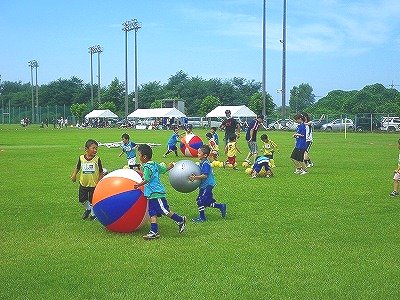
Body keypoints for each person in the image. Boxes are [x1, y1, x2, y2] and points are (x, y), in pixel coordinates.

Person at [134, 144, 186, 240]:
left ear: (144, 157)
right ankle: (154, 232)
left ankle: (180, 219)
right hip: (151, 195)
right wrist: (169, 167)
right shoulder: (154, 164)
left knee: (165, 210)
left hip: (156, 193)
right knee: (152, 213)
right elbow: (163, 170)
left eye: (139, 155)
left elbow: (146, 179)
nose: (139, 157)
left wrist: (138, 185)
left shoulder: (147, 167)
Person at [189, 145, 227, 222]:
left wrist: (195, 177)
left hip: (208, 185)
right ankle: (221, 206)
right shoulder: (202, 162)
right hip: (203, 186)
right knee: (204, 201)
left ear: (205, 155)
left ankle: (202, 218)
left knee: (201, 201)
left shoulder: (206, 164)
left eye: (199, 153)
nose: (197, 154)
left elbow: (205, 176)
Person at [70, 139, 104, 220]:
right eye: (93, 148)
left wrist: (99, 181)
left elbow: (101, 171)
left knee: (92, 200)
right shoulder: (81, 158)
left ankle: (93, 214)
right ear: (86, 149)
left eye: (96, 148)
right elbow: (78, 167)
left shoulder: (97, 159)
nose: (95, 150)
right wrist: (74, 175)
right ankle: (88, 209)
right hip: (83, 183)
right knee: (82, 199)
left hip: (93, 184)